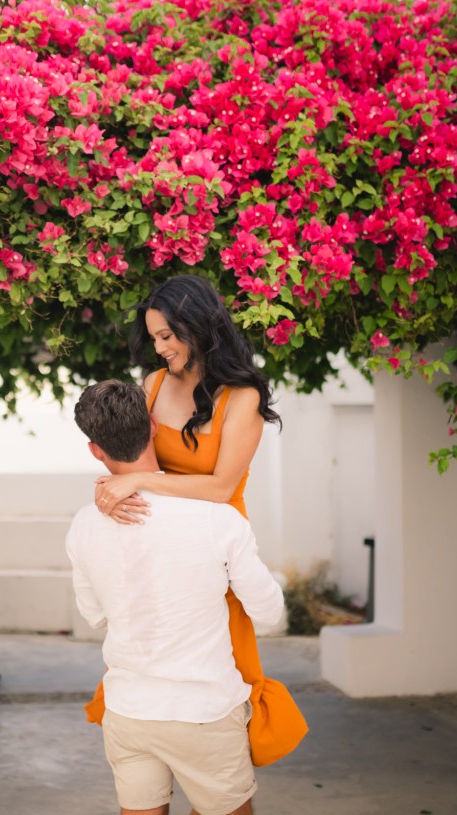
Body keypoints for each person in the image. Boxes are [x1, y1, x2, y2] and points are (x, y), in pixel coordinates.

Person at [89, 274, 308, 767]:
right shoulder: (153, 384)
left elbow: (220, 488)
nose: (160, 348)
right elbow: (132, 462)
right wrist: (108, 491)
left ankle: (221, 783)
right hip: (162, 544)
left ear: (199, 326)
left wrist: (139, 484)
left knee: (226, 669)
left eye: (168, 335)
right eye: (155, 338)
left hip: (220, 550)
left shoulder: (242, 396)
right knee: (156, 656)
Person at [67, 379, 285, 815]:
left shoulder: (84, 524)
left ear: (95, 450)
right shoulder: (217, 518)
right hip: (203, 709)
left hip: (128, 708)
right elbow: (270, 612)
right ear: (153, 427)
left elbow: (95, 615)